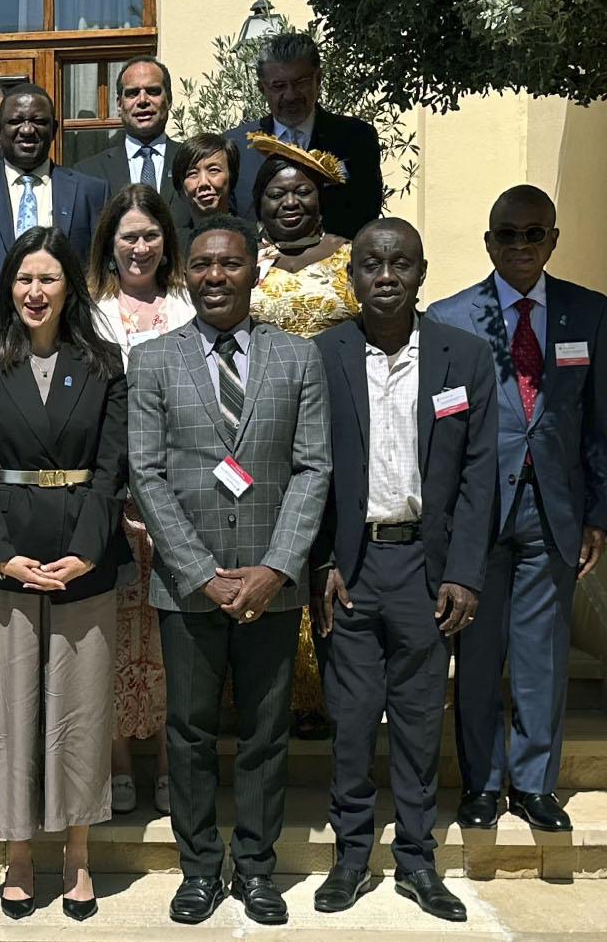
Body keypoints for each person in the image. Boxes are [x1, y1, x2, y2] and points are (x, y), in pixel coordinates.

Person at [128, 216, 330, 927]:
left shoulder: (298, 358)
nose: (215, 276)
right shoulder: (153, 360)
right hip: (189, 588)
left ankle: (256, 868)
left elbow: (313, 469)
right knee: (188, 732)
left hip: (272, 587)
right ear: (187, 274)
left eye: (230, 263)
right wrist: (201, 573)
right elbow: (146, 474)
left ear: (254, 271)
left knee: (266, 734)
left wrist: (276, 568)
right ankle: (198, 869)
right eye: (203, 265)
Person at [309, 219, 497, 922]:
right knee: (353, 719)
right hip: (350, 570)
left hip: (427, 569)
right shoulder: (324, 354)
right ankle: (351, 857)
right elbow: (309, 467)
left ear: (422, 272)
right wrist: (321, 560)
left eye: (400, 264)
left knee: (419, 723)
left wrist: (465, 573)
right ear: (351, 275)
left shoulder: (464, 356)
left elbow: (480, 473)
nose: (385, 276)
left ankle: (418, 861)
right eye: (371, 264)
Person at [0, 227, 127, 922]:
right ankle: (18, 852)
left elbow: (112, 467)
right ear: (8, 287)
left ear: (69, 288)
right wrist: (0, 553)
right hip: (2, 557)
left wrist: (88, 549)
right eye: (24, 279)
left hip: (84, 555)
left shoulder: (104, 362)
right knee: (5, 712)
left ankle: (77, 853)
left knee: (79, 712)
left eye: (48, 279)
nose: (34, 291)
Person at [426, 185, 607, 834]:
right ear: (488, 241)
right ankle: (482, 784)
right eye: (508, 234)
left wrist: (598, 514)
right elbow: (441, 430)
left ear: (553, 240)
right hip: (476, 513)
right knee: (477, 657)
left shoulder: (590, 313)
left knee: (542, 655)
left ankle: (534, 785)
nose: (521, 246)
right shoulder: (449, 317)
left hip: (554, 509)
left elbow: (600, 424)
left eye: (534, 234)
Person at [246, 133, 359, 739]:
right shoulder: (246, 263)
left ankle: (334, 694)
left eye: (302, 192)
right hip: (264, 435)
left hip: (341, 428)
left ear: (321, 199)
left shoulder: (352, 259)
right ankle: (274, 696)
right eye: (276, 194)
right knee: (275, 549)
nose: (289, 203)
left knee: (329, 551)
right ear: (259, 204)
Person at [87, 185, 195, 816]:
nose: (140, 246)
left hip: (180, 494)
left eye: (151, 235)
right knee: (114, 632)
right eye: (128, 236)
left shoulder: (187, 304)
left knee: (168, 635)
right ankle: (119, 761)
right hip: (113, 497)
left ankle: (166, 760)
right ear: (110, 243)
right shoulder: (91, 311)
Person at [226, 33, 383, 240]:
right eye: (279, 86)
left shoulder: (357, 138)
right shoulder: (236, 145)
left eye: (300, 82)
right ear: (262, 88)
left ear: (318, 79)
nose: (291, 95)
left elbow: (367, 213)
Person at [0, 83, 107, 274]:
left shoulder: (90, 192)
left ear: (54, 130)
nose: (27, 130)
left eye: (38, 121)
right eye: (16, 121)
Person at [72, 56, 193, 230]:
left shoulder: (192, 163)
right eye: (132, 93)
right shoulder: (88, 173)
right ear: (119, 104)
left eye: (153, 91)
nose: (142, 100)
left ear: (169, 99)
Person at [171, 133, 240, 236]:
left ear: (231, 177)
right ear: (180, 189)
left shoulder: (255, 239)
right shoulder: (173, 244)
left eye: (213, 170)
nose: (203, 182)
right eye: (192, 173)